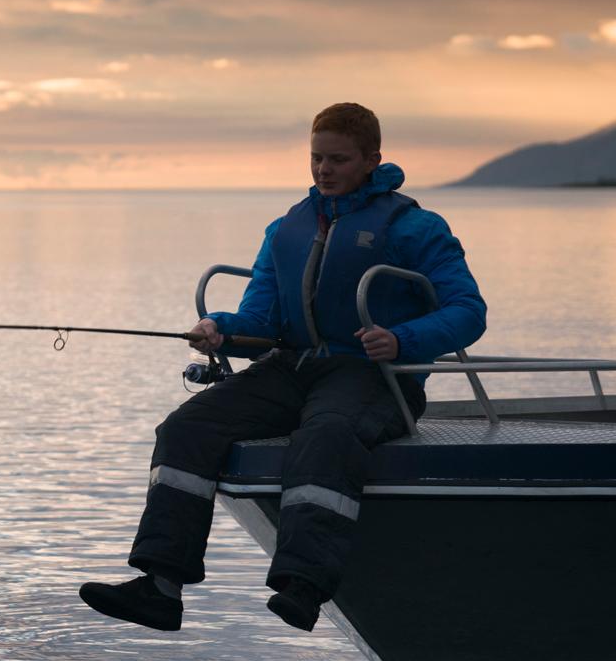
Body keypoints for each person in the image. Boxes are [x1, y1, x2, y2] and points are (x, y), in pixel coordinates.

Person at [79, 103, 486, 632]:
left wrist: (402, 339)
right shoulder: (287, 228)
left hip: (373, 376)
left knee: (326, 435)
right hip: (292, 368)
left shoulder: (415, 228)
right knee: (186, 427)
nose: (323, 170)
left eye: (338, 159)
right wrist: (220, 329)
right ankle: (160, 586)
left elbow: (467, 311)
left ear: (372, 159)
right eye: (316, 158)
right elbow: (263, 319)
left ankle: (305, 585)